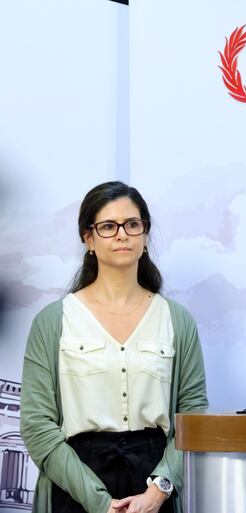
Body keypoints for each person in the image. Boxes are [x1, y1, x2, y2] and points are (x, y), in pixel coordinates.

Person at [21, 182, 208, 513]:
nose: (122, 234)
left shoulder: (176, 320)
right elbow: (37, 425)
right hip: (75, 484)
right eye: (108, 226)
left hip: (152, 486)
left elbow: (192, 414)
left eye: (132, 224)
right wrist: (99, 501)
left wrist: (160, 489)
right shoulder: (53, 321)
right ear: (88, 239)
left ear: (145, 235)